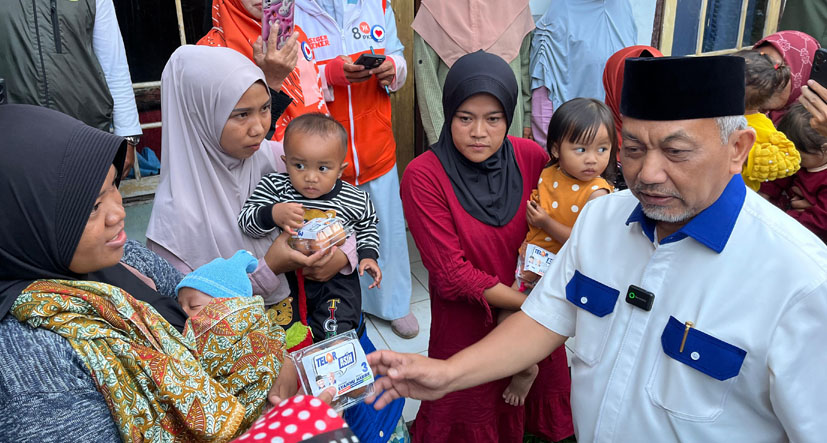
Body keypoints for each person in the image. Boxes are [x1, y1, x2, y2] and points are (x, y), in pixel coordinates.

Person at [368, 55, 827, 442]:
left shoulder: (801, 283)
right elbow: (543, 319)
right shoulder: (603, 221)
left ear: (737, 149)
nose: (647, 174)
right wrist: (448, 375)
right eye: (632, 149)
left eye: (676, 152)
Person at [144, 45, 405, 443]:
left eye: (264, 109)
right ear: (199, 115)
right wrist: (269, 268)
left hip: (328, 327)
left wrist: (344, 257)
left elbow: (342, 211)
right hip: (269, 366)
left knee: (367, 418)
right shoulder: (175, 222)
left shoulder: (275, 157)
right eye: (240, 114)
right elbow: (201, 323)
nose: (259, 128)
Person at [0, 104, 289, 440]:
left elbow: (205, 311)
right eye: (93, 207)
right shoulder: (31, 370)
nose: (117, 212)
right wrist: (280, 430)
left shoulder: (126, 259)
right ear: (23, 223)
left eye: (114, 186)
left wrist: (272, 361)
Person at [399, 51, 573, 443]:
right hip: (470, 321)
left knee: (537, 399)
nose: (479, 132)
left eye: (493, 119)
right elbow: (451, 272)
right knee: (469, 408)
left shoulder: (530, 156)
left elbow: (564, 212)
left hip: (532, 315)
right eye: (465, 118)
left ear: (508, 116)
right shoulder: (423, 175)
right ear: (448, 114)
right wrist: (531, 303)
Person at [295, 0, 419, 339]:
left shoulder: (377, 4)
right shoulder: (295, 9)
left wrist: (392, 68)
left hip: (375, 147)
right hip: (323, 158)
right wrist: (329, 75)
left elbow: (398, 57)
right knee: (332, 238)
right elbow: (291, 80)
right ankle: (346, 312)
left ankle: (394, 304)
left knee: (386, 232)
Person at [238, 113, 382, 341]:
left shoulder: (354, 198)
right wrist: (272, 213)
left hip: (335, 281)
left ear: (340, 169)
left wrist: (368, 256)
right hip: (289, 279)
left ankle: (337, 367)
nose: (311, 177)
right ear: (285, 162)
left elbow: (367, 225)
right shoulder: (275, 187)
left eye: (323, 168)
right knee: (292, 336)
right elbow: (246, 222)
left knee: (336, 330)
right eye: (299, 165)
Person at [0, 0, 143, 176]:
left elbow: (113, 63)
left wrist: (128, 136)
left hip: (87, 133)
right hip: (16, 138)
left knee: (89, 201)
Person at [513, 98, 615, 292]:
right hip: (532, 259)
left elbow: (585, 243)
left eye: (602, 149)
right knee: (508, 311)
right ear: (555, 149)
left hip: (561, 270)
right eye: (581, 149)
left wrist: (546, 223)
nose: (592, 159)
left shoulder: (597, 193)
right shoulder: (551, 172)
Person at [198, 0, 331, 144]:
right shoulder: (210, 52)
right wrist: (271, 82)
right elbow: (225, 137)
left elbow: (312, 100)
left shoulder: (294, 36)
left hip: (311, 155)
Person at [412, 0, 535, 145]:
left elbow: (525, 67)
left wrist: (527, 119)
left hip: (510, 129)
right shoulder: (434, 7)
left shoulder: (517, 5)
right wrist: (440, 140)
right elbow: (427, 80)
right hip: (451, 136)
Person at [529, 0, 637, 146]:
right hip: (572, 147)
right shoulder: (561, 16)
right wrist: (553, 152)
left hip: (615, 148)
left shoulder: (622, 10)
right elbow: (544, 94)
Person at [731, 49, 800, 191]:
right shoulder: (712, 112)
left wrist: (747, 155)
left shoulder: (762, 127)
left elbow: (791, 159)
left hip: (737, 193)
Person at [761, 103, 827, 241]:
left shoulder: (823, 179)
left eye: (800, 156)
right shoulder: (802, 159)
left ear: (825, 150)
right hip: (778, 212)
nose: (792, 158)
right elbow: (780, 174)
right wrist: (764, 194)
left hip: (798, 233)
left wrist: (783, 222)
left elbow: (819, 222)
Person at [602, 45, 663, 190]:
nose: (644, 97)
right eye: (632, 88)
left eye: (654, 86)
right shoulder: (594, 140)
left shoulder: (677, 138)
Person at [753, 30, 821, 123]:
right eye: (756, 65)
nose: (758, 76)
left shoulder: (814, 129)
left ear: (802, 77)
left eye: (777, 69)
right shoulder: (737, 111)